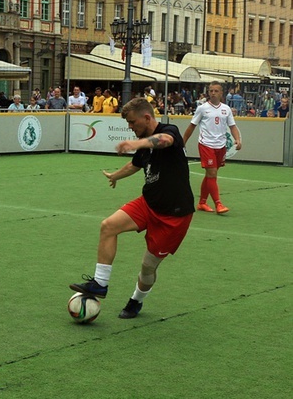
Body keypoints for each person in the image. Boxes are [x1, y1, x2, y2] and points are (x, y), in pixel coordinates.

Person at [70, 98, 195, 319]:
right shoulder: (145, 143)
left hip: (174, 216)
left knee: (148, 267)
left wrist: (136, 143)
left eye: (132, 122)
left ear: (146, 118)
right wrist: (115, 176)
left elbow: (164, 140)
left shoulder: (169, 131)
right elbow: (134, 165)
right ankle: (100, 283)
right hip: (148, 204)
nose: (130, 127)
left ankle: (136, 300)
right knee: (108, 226)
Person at [182, 81, 242, 214]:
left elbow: (232, 126)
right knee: (212, 173)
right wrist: (183, 142)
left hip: (221, 146)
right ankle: (218, 204)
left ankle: (202, 203)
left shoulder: (226, 109)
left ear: (221, 93)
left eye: (216, 91)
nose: (213, 93)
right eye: (211, 91)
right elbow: (192, 126)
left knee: (210, 175)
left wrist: (238, 139)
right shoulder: (202, 108)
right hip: (206, 144)